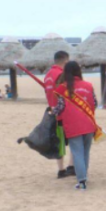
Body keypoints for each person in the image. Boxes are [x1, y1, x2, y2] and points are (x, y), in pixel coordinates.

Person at [51, 61, 97, 190]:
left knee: (77, 152)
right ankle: (84, 176)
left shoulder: (62, 88)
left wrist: (51, 111)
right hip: (88, 123)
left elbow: (60, 108)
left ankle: (82, 181)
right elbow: (95, 103)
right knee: (85, 152)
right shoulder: (89, 86)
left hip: (73, 125)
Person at [45, 51, 75, 179]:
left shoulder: (47, 76)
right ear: (65, 61)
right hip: (64, 112)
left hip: (53, 111)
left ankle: (61, 169)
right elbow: (67, 94)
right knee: (74, 140)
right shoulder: (61, 74)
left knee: (59, 142)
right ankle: (71, 166)